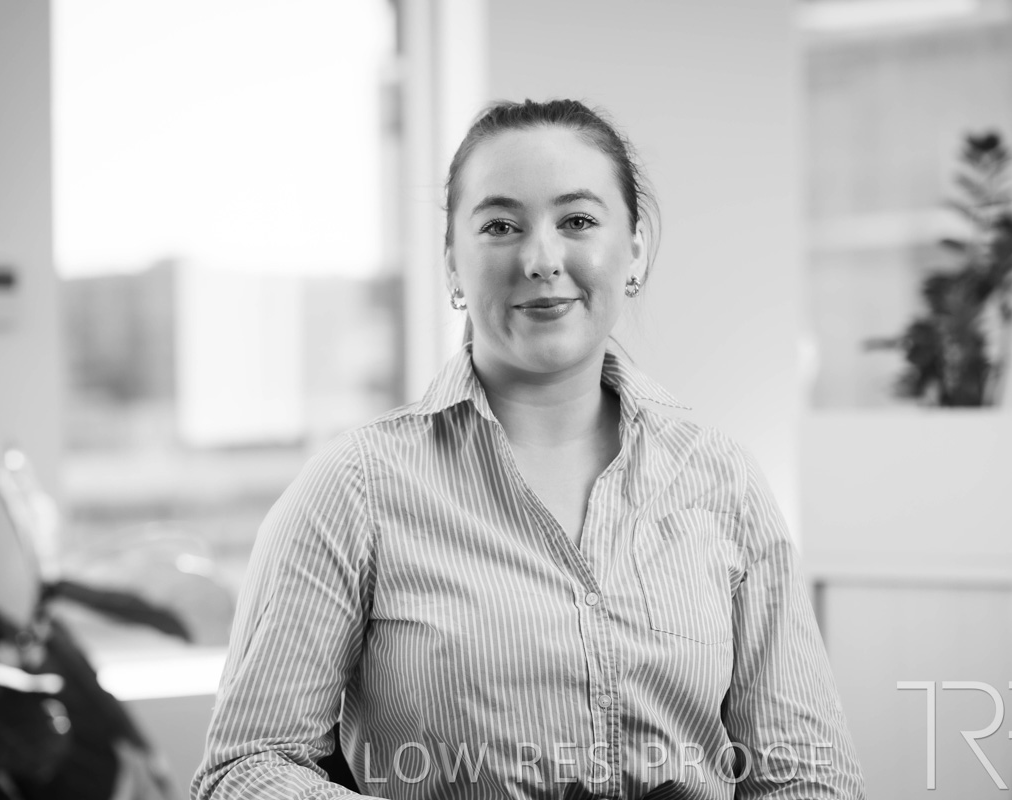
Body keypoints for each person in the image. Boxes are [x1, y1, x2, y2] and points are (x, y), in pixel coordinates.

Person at [192, 99, 866, 800]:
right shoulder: (354, 487)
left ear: (634, 249)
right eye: (500, 227)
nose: (542, 260)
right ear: (452, 266)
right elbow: (244, 769)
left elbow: (808, 774)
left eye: (577, 221)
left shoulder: (721, 478)